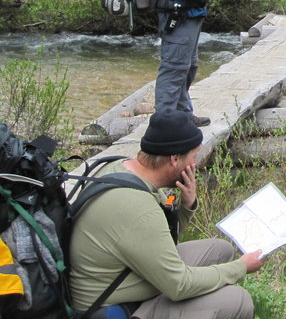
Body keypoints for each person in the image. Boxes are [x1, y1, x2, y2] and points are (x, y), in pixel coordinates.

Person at [69, 109, 265, 318]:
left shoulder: (119, 167)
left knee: (220, 250)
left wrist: (186, 206)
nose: (195, 164)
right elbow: (178, 285)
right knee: (237, 300)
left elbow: (160, 236)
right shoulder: (138, 208)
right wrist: (241, 267)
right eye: (193, 156)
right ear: (174, 158)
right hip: (112, 307)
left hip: (124, 276)